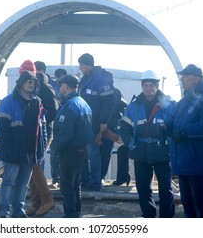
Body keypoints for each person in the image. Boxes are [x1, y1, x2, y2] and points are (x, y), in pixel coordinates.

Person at [167, 64, 203, 218]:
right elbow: (174, 122)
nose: (182, 79)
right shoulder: (184, 101)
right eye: (181, 76)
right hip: (184, 161)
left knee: (201, 205)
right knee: (188, 205)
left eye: (186, 76)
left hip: (197, 162)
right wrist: (165, 126)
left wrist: (184, 133)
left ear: (197, 79)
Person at [119, 70, 176, 218]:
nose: (148, 88)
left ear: (157, 86)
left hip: (162, 151)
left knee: (165, 188)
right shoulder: (133, 106)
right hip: (141, 152)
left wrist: (168, 136)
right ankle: (148, 216)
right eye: (145, 85)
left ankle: (166, 218)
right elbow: (124, 127)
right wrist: (132, 144)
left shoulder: (169, 105)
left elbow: (176, 126)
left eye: (151, 85)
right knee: (143, 188)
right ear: (142, 86)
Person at [0, 68, 48, 218]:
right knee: (8, 183)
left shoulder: (37, 102)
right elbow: (2, 127)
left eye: (34, 82)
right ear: (21, 84)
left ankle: (18, 211)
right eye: (29, 81)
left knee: (23, 184)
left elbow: (42, 127)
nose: (32, 84)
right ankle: (3, 213)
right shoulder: (8, 101)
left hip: (30, 151)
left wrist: (41, 148)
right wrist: (9, 146)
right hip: (13, 150)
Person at [52, 75, 93, 218]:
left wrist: (58, 148)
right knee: (76, 185)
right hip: (81, 150)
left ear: (65, 86)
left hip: (70, 151)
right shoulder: (83, 103)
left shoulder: (70, 105)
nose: (59, 89)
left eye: (60, 86)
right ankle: (76, 213)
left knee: (67, 186)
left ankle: (70, 215)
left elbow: (65, 132)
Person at [18, 60, 55, 217]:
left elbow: (53, 110)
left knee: (34, 165)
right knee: (31, 165)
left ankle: (47, 200)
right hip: (34, 132)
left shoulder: (43, 87)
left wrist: (40, 122)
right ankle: (36, 202)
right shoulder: (39, 85)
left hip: (42, 133)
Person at [78, 53, 116, 191]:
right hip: (83, 123)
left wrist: (103, 121)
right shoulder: (86, 79)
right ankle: (85, 181)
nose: (80, 68)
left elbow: (109, 100)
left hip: (94, 124)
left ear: (87, 65)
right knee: (83, 153)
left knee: (93, 153)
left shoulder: (100, 78)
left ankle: (95, 183)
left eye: (81, 65)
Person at [49, 67, 68, 187]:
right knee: (55, 153)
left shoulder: (54, 90)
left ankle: (58, 178)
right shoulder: (56, 90)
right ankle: (57, 178)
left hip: (59, 127)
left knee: (57, 154)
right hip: (58, 128)